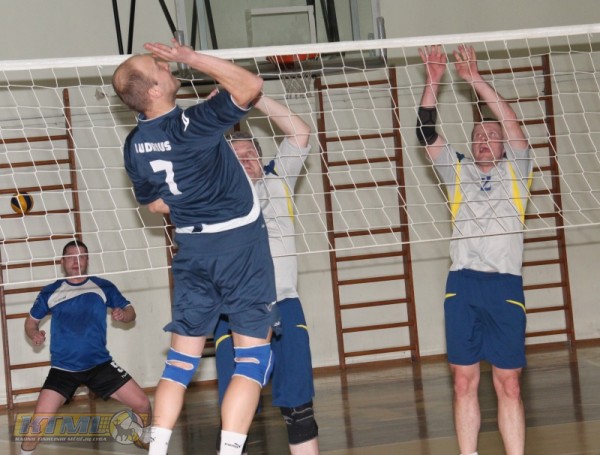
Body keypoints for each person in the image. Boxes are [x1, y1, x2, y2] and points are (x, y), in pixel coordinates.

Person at [112, 39, 277, 455]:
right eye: (160, 67)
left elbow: (155, 205)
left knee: (180, 365)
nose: (168, 67)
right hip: (240, 247)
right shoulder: (192, 124)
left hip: (191, 251)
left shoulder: (134, 143)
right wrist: (190, 57)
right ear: (154, 90)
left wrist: (193, 188)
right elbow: (251, 85)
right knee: (252, 361)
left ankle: (158, 449)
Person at [417, 45, 532, 455]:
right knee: (463, 381)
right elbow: (425, 133)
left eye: (492, 136)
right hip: (462, 285)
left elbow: (512, 123)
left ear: (503, 146)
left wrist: (474, 79)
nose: (485, 140)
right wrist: (434, 81)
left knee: (509, 384)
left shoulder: (517, 170)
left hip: (504, 286)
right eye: (479, 136)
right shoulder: (457, 170)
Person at [214, 95, 319, 454]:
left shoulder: (279, 180)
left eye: (251, 154)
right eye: (237, 156)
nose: (246, 159)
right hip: (235, 312)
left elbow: (300, 133)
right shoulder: (215, 197)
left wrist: (253, 97)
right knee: (235, 414)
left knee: (299, 408)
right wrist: (212, 117)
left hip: (284, 305)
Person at [20, 240, 152, 454]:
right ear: (62, 261)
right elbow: (30, 322)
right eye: (71, 257)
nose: (76, 261)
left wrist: (124, 315)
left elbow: (131, 312)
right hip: (63, 369)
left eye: (81, 256)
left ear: (87, 260)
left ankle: (143, 437)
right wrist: (34, 333)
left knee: (143, 404)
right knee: (36, 425)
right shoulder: (50, 292)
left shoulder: (103, 286)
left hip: (100, 365)